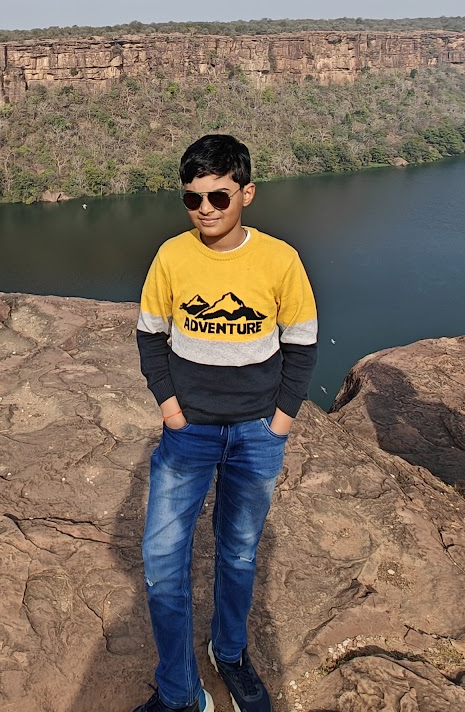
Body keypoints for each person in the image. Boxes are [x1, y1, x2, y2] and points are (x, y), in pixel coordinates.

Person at [133, 134, 318, 712]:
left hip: (256, 433)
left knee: (238, 553)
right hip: (188, 432)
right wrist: (170, 408)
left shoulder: (280, 259)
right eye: (193, 198)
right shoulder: (172, 256)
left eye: (218, 196)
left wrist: (281, 422)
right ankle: (179, 693)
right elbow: (150, 334)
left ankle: (230, 653)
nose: (206, 209)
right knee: (162, 562)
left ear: (246, 193)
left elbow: (302, 343)